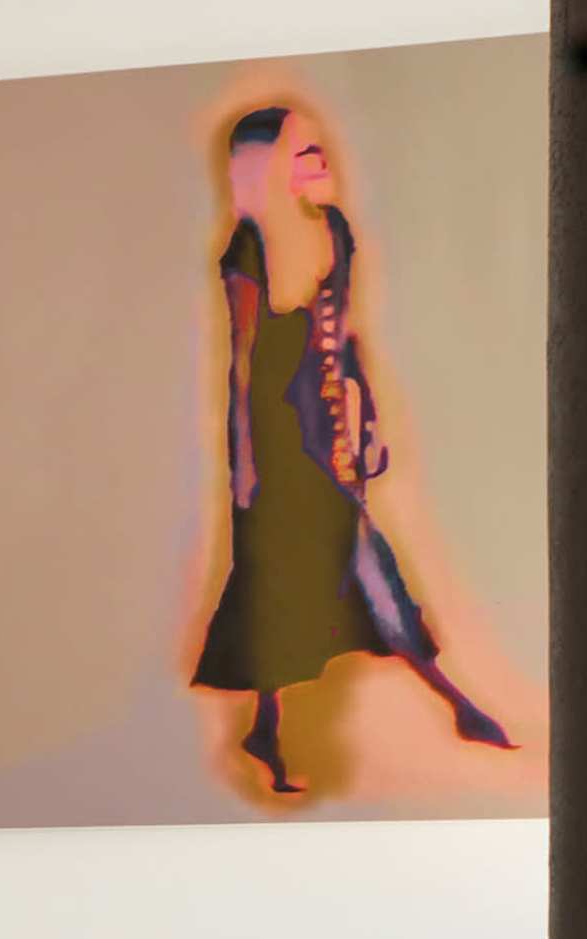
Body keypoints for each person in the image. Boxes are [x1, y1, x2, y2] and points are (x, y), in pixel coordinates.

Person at [191, 103, 513, 795]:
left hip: (329, 422)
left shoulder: (334, 230)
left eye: (317, 148)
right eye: (301, 152)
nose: (320, 158)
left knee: (322, 570)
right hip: (276, 439)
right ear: (268, 168)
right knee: (320, 571)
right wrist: (244, 459)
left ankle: (269, 724)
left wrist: (371, 418)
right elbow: (244, 361)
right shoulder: (248, 247)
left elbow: (349, 335)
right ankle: (458, 707)